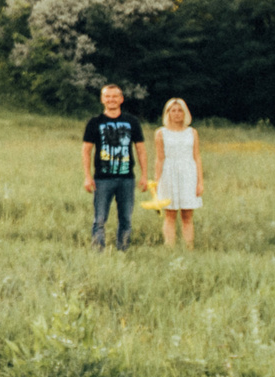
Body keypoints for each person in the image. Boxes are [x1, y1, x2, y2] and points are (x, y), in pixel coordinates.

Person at [80, 83, 149, 251]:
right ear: (102, 99)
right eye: (107, 96)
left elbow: (140, 149)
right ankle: (98, 250)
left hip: (126, 178)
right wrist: (87, 176)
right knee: (100, 219)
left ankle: (123, 250)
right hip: (102, 178)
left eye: (115, 96)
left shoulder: (131, 121)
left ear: (121, 99)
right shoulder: (95, 122)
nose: (111, 100)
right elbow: (86, 151)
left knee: (126, 218)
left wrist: (144, 175)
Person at [150, 96, 202, 248]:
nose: (177, 114)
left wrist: (200, 182)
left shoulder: (192, 132)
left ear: (185, 113)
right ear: (168, 113)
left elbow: (197, 157)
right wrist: (156, 181)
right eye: (173, 110)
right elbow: (159, 159)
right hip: (168, 174)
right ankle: (170, 247)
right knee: (170, 214)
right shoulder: (161, 133)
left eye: (180, 110)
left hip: (188, 174)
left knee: (187, 215)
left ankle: (189, 247)